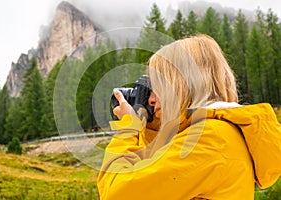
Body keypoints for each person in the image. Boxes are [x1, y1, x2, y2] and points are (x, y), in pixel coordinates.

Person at [97, 34, 281, 200]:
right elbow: (153, 174)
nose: (151, 100)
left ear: (183, 84)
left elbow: (116, 193)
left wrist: (129, 128)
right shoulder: (219, 132)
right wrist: (152, 126)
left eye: (158, 85)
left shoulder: (211, 139)